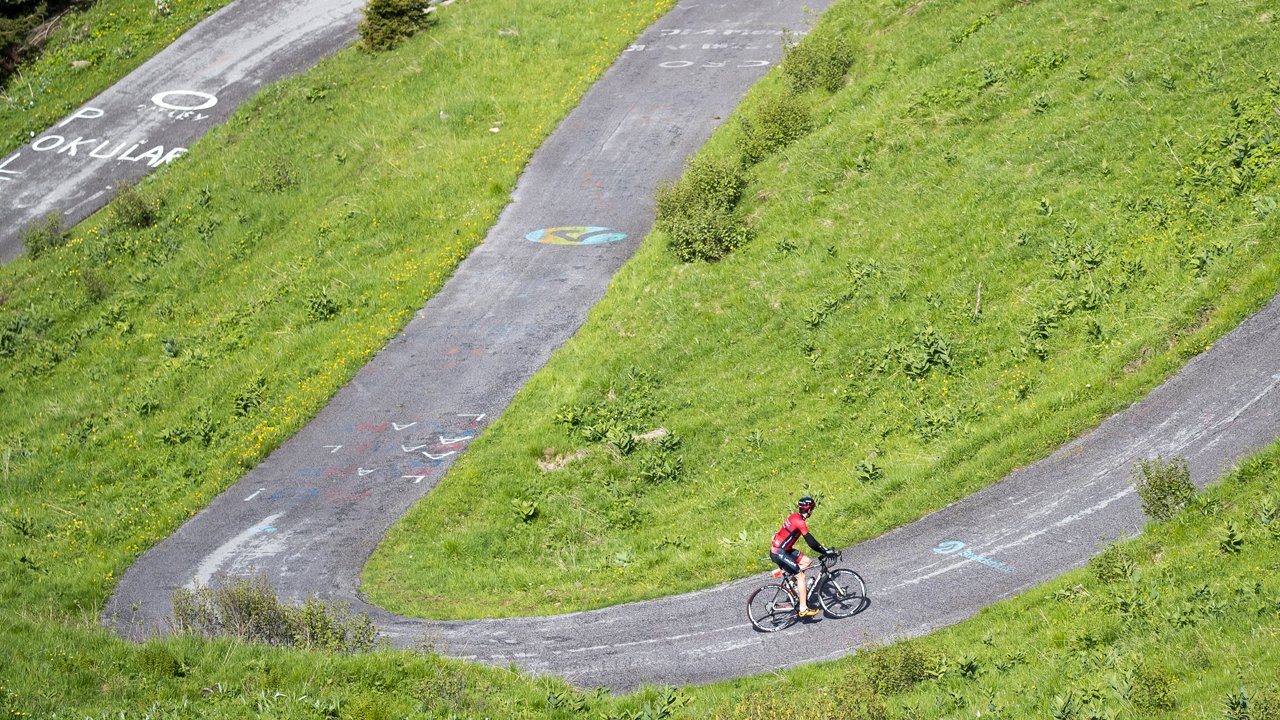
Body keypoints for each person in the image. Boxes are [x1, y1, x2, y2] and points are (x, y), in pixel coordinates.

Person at [770, 495, 833, 618]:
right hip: (779, 552)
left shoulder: (794, 516)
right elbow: (811, 543)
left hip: (783, 550)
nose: (812, 511)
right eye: (812, 509)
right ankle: (803, 609)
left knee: (807, 561)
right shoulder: (800, 522)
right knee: (801, 576)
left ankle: (790, 586)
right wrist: (824, 551)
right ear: (809, 510)